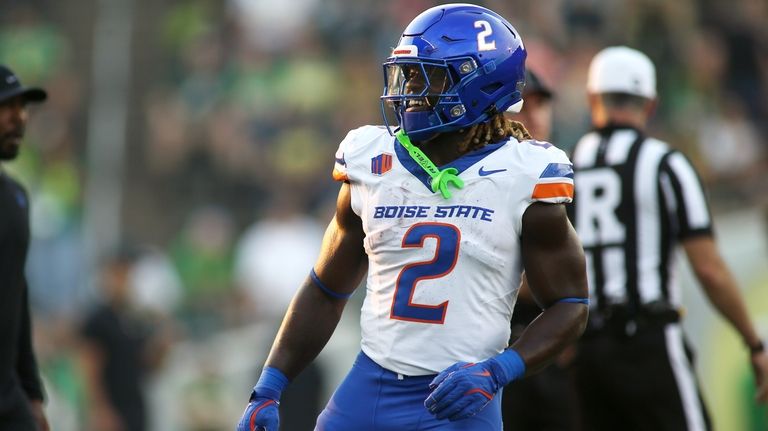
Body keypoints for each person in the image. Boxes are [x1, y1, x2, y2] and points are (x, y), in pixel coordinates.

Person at [236, 4, 588, 431]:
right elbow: (326, 289)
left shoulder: (525, 174)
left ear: (482, 82)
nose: (410, 89)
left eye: (428, 76)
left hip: (458, 401)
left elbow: (570, 304)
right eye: (409, 73)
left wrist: (499, 370)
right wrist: (268, 388)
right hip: (369, 388)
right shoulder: (372, 160)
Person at [568, 46, 768, 430]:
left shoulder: (566, 165)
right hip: (648, 341)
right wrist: (753, 342)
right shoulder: (665, 164)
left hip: (585, 351)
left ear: (593, 98)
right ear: (652, 103)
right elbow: (709, 269)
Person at [501, 69, 581, 431]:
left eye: (541, 103)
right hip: (497, 349)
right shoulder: (481, 183)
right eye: (521, 106)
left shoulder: (566, 183)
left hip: (562, 351)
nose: (532, 116)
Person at [0, 64, 50, 431]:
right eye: (6, 108)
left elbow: (17, 295)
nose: (19, 118)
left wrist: (32, 394)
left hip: (7, 397)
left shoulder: (16, 198)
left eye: (22, 108)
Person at [79, 247, 174, 431]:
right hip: (111, 407)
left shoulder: (135, 318)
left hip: (135, 406)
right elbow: (89, 368)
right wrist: (101, 410)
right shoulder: (99, 320)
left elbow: (148, 365)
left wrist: (162, 344)